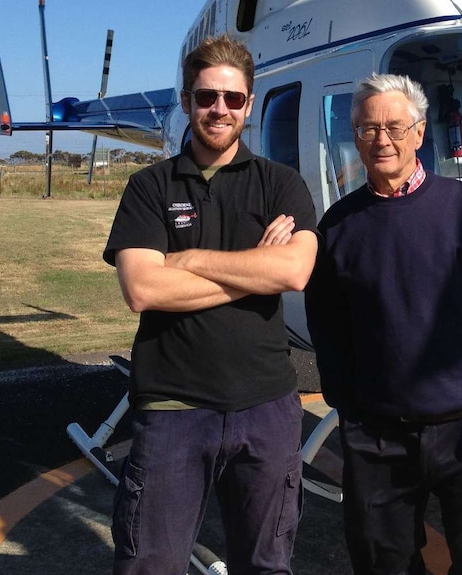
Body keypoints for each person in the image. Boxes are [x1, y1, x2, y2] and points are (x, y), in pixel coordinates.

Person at [103, 34, 318, 575]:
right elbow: (143, 290)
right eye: (206, 97)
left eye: (232, 98)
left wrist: (186, 258)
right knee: (150, 566)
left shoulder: (281, 185)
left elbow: (293, 270)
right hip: (173, 409)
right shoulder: (149, 187)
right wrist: (254, 271)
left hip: (265, 408)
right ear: (186, 101)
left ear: (248, 103)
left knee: (267, 564)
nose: (218, 109)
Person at [305, 73, 462, 575]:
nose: (382, 139)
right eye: (367, 129)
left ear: (420, 133)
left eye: (394, 127)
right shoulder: (339, 226)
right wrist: (349, 407)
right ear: (354, 136)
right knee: (382, 565)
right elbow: (328, 326)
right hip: (378, 438)